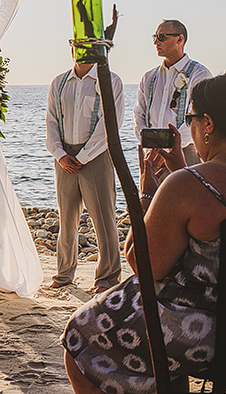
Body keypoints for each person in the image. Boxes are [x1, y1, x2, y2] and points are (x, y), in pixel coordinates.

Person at [63, 74, 226, 394]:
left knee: (80, 335)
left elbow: (145, 264)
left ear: (207, 123)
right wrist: (182, 172)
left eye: (190, 118)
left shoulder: (190, 185)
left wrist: (150, 193)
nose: (190, 126)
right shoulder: (189, 181)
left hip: (200, 328)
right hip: (214, 317)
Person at [46, 56, 124, 294]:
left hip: (96, 155)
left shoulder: (110, 80)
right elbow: (51, 120)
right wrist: (59, 154)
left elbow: (110, 124)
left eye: (84, 44)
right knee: (66, 218)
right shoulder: (59, 82)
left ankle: (107, 279)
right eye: (75, 43)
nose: (79, 49)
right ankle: (64, 273)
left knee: (103, 218)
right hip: (64, 157)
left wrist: (83, 156)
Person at [134, 19, 212, 168]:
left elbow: (197, 120)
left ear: (180, 39)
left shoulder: (199, 74)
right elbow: (139, 114)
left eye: (161, 37)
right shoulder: (149, 77)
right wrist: (150, 147)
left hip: (187, 152)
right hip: (152, 155)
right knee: (150, 192)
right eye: (154, 37)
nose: (156, 42)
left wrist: (167, 150)